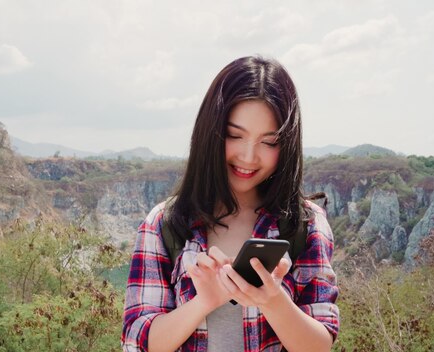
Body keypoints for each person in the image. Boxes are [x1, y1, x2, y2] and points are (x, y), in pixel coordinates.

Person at [121, 56, 339, 352]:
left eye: (270, 142)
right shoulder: (165, 223)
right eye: (235, 135)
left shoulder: (306, 224)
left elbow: (320, 345)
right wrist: (205, 301)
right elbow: (139, 341)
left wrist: (273, 300)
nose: (249, 157)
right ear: (210, 133)